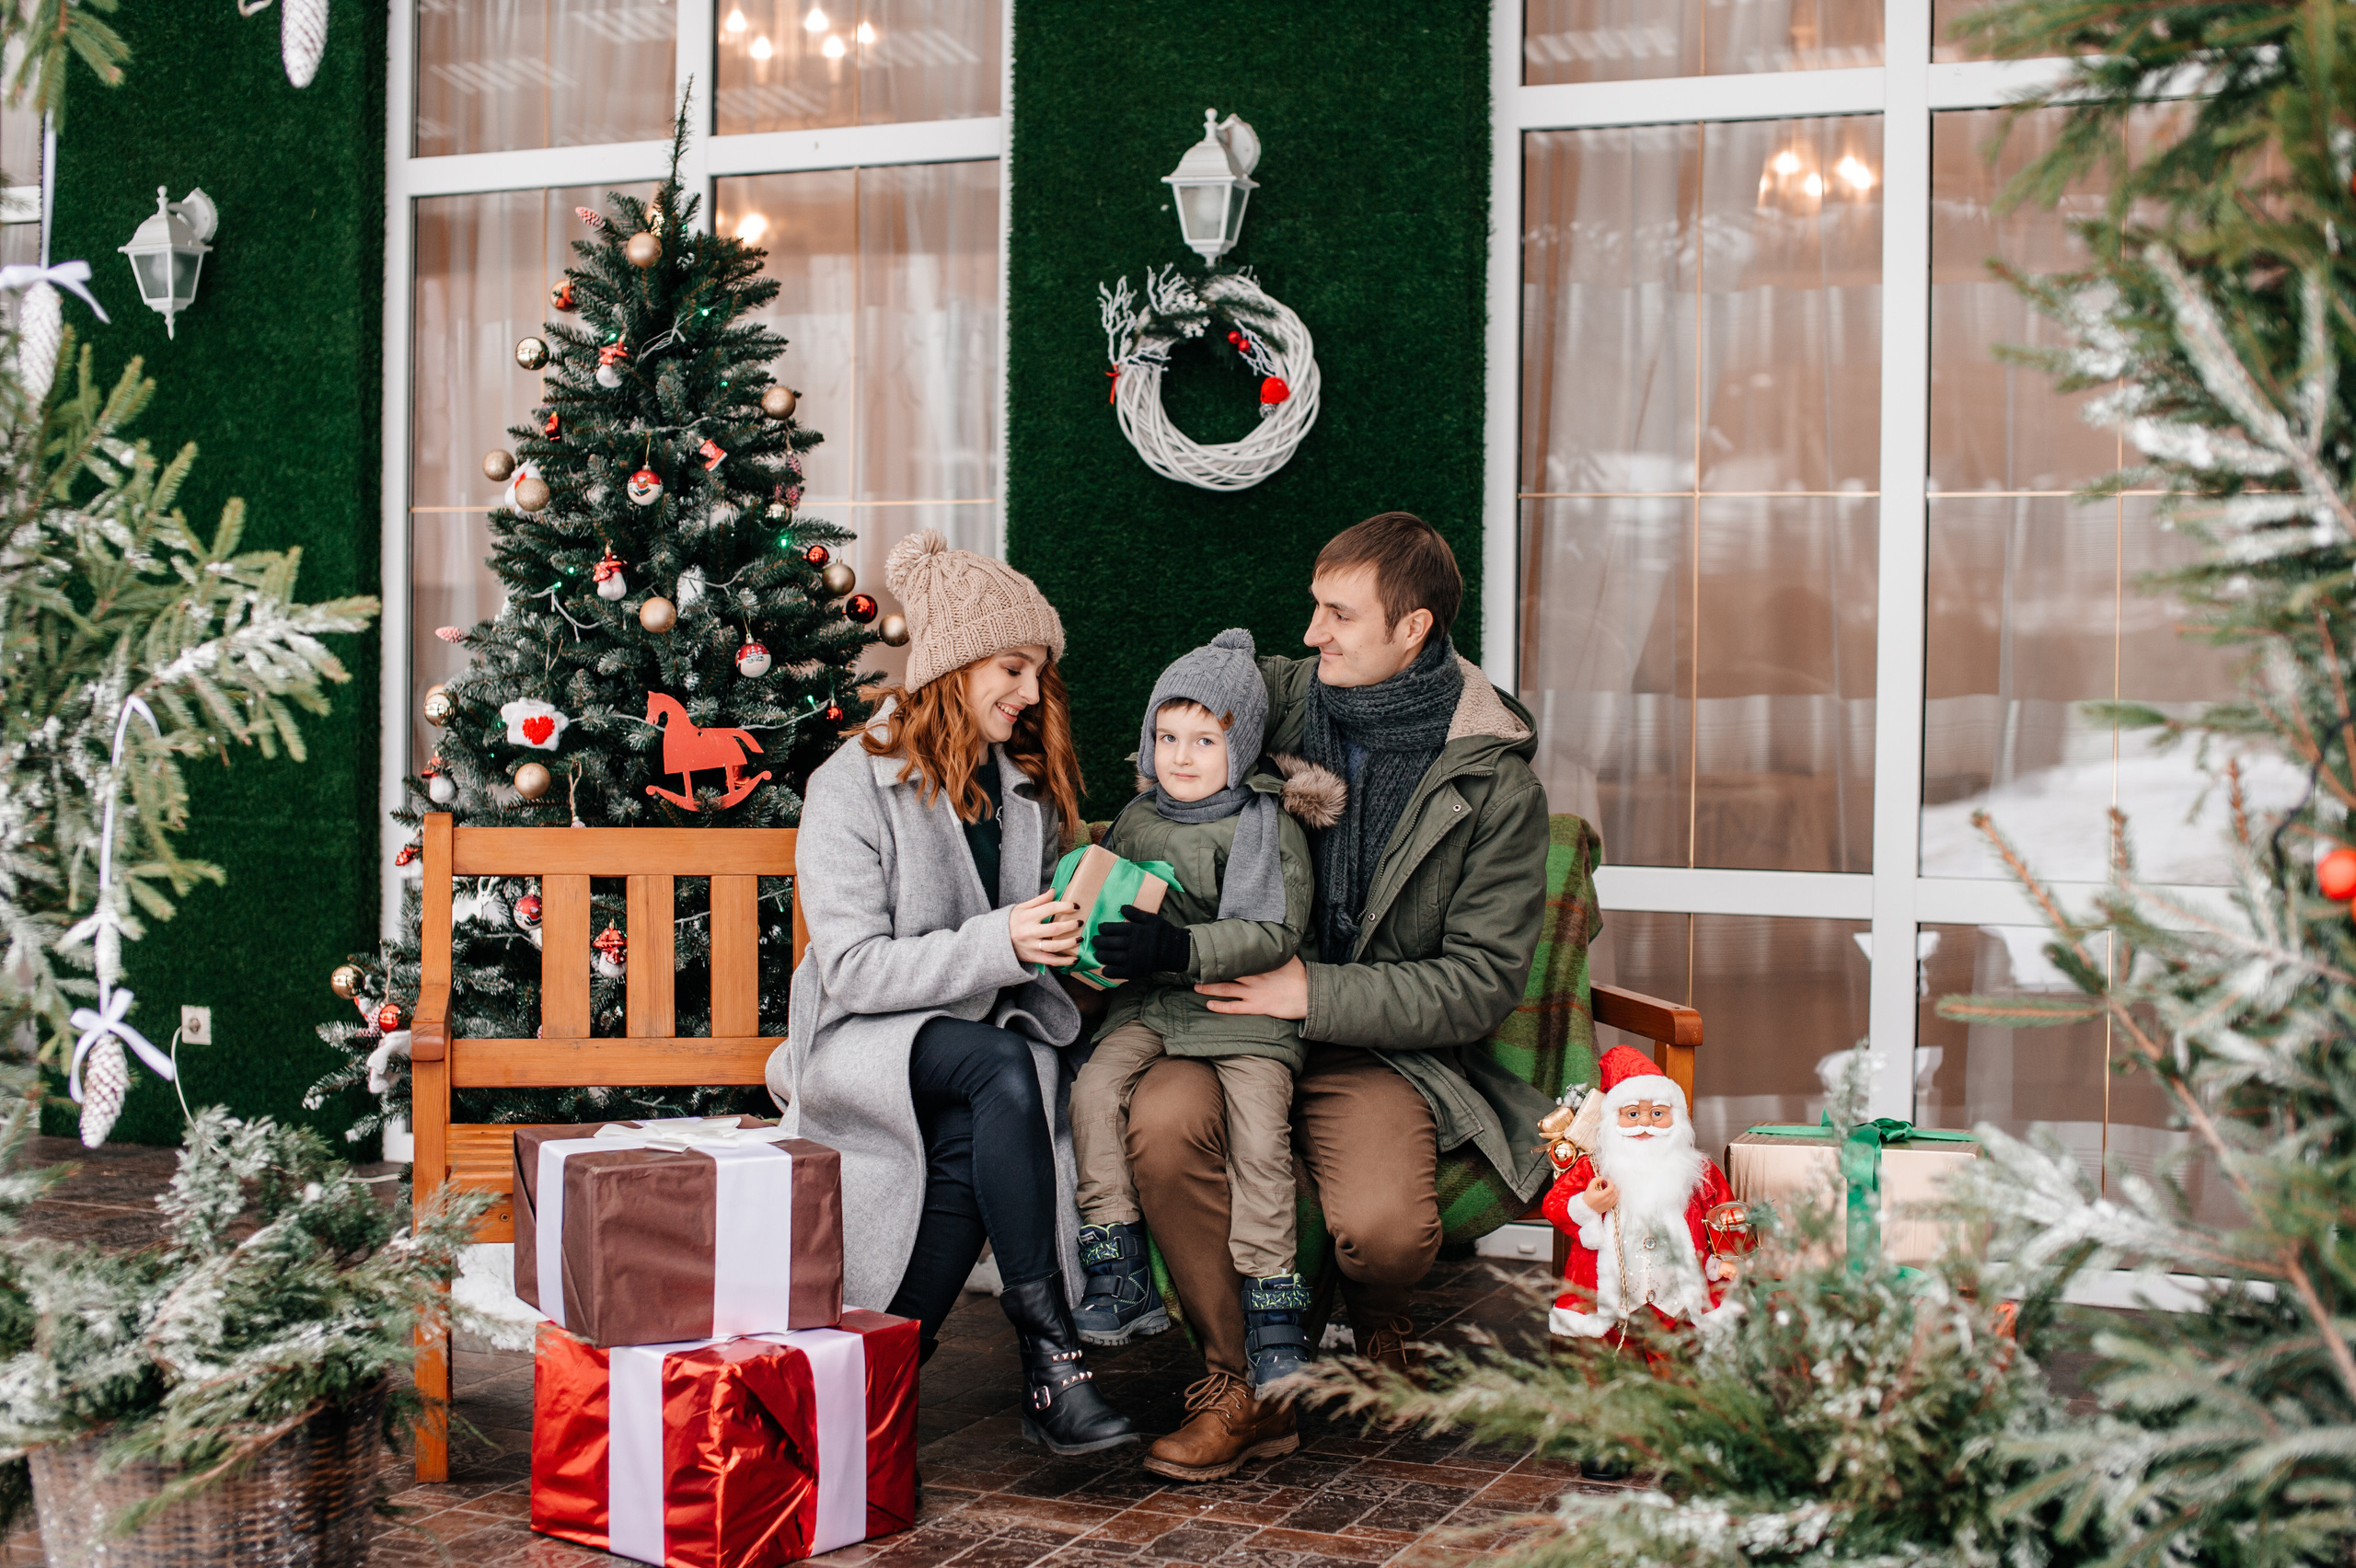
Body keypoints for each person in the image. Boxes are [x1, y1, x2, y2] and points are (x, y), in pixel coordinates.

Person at [1126, 512, 1553, 1482]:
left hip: (1370, 1045)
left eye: (1338, 615)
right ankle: (1242, 1389)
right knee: (1156, 1124)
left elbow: (1477, 985)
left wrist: (1307, 990)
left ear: (1412, 629)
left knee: (1386, 1234)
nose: (1311, 634)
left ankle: (1376, 1304)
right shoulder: (1276, 697)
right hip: (1222, 1023)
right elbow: (1176, 728)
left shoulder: (1491, 785)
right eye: (1313, 608)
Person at [775, 528, 1138, 1456]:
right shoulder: (850, 786)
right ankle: (1052, 1357)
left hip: (986, 1050)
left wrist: (1084, 946)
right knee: (1000, 1068)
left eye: (1036, 675)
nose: (1029, 693)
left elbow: (1034, 949)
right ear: (952, 665)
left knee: (983, 1113)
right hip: (866, 1040)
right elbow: (853, 970)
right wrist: (1005, 942)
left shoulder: (1024, 790)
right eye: (1012, 668)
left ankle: (879, 1385)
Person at [1066, 629, 1345, 1390]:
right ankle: (1115, 1264)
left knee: (1259, 1143)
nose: (1180, 756)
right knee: (1092, 1090)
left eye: (1203, 739)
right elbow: (1113, 900)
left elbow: (1273, 931)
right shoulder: (1136, 817)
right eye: (1165, 735)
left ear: (1241, 745)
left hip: (1246, 1016)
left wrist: (1175, 948)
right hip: (1155, 1010)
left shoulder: (1264, 825)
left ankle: (1272, 1308)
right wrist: (1087, 935)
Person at [1542, 1045, 1740, 1343]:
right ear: (1614, 1120)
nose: (1645, 1123)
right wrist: (1587, 1205)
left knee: (1675, 1363)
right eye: (1633, 1113)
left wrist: (1728, 1257)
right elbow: (1553, 1205)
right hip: (1611, 1300)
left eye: (1657, 1113)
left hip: (1678, 1301)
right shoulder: (1594, 1167)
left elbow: (1726, 1213)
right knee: (1611, 1366)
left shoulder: (1698, 1169)